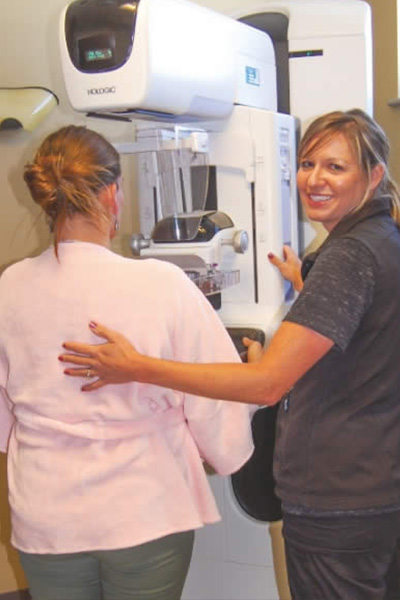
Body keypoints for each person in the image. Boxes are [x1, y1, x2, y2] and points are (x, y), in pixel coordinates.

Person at [60, 109, 400, 600]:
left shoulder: (348, 258)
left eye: (335, 167)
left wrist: (137, 367)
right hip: (377, 486)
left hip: (338, 500)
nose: (315, 179)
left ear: (373, 175)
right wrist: (305, 288)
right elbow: (363, 330)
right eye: (307, 164)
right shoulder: (380, 241)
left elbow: (266, 385)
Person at [0, 125, 254, 600]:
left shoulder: (9, 287)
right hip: (145, 506)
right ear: (113, 195)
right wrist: (226, 454)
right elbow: (212, 392)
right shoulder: (162, 283)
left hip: (47, 510)